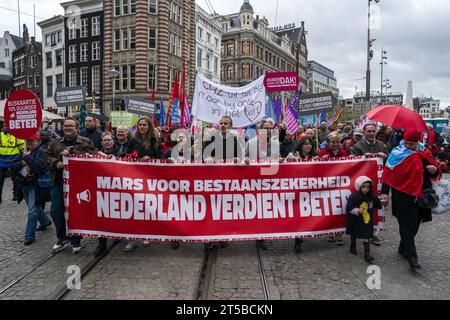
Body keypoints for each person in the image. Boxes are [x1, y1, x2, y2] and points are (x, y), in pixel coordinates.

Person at [381, 129, 440, 272]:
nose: (408, 146)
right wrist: (384, 193)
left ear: (418, 142)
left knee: (415, 225)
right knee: (405, 224)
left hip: (421, 194)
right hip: (402, 195)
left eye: (412, 144)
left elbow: (435, 170)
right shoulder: (396, 153)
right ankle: (412, 257)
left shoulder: (424, 153)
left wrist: (434, 170)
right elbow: (388, 173)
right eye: (406, 143)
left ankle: (403, 247)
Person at [46, 117, 96, 254]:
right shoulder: (55, 143)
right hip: (58, 182)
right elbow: (47, 157)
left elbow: (92, 156)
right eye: (65, 126)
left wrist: (72, 154)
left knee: (75, 212)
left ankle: (76, 240)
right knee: (56, 211)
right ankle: (63, 238)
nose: (67, 128)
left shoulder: (86, 142)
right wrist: (56, 162)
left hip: (78, 184)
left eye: (70, 126)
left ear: (77, 128)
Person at [124, 116, 162, 252]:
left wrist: (150, 158)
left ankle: (146, 233)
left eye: (144, 125)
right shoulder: (133, 141)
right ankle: (132, 238)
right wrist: (138, 158)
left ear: (149, 126)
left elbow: (160, 157)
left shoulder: (155, 141)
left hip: (150, 180)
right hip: (135, 179)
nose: (142, 127)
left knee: (146, 208)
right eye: (140, 125)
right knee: (133, 209)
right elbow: (127, 156)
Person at [351, 123, 388, 246]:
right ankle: (363, 232)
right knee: (364, 207)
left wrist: (385, 157)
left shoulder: (382, 145)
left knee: (377, 207)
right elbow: (352, 162)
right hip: (364, 183)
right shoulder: (358, 146)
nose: (371, 133)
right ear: (364, 132)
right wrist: (361, 157)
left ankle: (375, 233)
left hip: (378, 182)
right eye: (369, 131)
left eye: (373, 131)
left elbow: (389, 163)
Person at [12, 133, 52, 245]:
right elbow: (13, 167)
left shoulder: (43, 152)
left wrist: (27, 158)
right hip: (24, 184)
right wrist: (22, 162)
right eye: (28, 141)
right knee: (33, 207)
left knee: (32, 210)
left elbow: (39, 167)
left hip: (36, 184)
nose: (30, 143)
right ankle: (45, 221)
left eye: (33, 141)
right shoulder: (23, 152)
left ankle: (29, 235)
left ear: (38, 141)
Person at [245, 118, 279, 250]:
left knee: (265, 209)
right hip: (254, 182)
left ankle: (262, 235)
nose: (269, 131)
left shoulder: (276, 144)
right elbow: (245, 157)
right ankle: (257, 232)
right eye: (266, 128)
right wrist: (246, 159)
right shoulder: (251, 143)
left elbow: (278, 159)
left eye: (271, 128)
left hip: (270, 182)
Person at [286, 136, 318, 252]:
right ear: (301, 145)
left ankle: (301, 234)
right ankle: (297, 239)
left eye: (310, 144)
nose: (308, 146)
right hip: (295, 190)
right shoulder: (292, 156)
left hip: (309, 192)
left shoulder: (315, 158)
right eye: (306, 144)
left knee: (305, 215)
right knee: (297, 215)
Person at [346, 176, 383, 263]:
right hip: (356, 219)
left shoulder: (371, 197)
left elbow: (377, 204)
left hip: (366, 220)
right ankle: (353, 246)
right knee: (354, 233)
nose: (366, 189)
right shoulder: (354, 196)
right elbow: (349, 207)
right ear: (359, 187)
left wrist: (382, 202)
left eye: (368, 187)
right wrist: (358, 210)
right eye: (363, 187)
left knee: (366, 236)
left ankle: (367, 254)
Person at [94, 132, 118, 257]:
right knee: (102, 216)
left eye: (109, 140)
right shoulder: (96, 154)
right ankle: (101, 243)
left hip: (117, 189)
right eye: (104, 140)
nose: (107, 142)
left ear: (113, 141)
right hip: (102, 189)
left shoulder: (119, 153)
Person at [0, 124, 25, 203]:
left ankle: (16, 195)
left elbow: (22, 148)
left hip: (14, 160)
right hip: (2, 160)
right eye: (4, 126)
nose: (6, 127)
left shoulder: (17, 135)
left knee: (16, 179)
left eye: (7, 125)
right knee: (0, 179)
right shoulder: (0, 135)